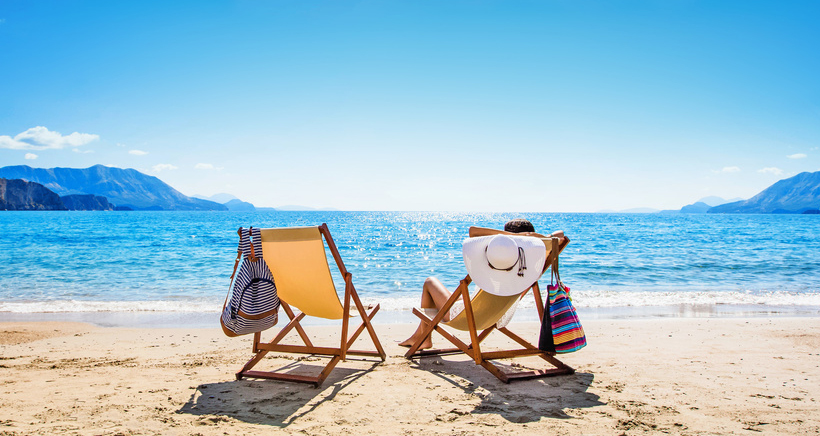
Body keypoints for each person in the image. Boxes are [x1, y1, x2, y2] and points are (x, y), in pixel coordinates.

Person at [399, 218, 561, 349]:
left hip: (469, 317)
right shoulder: (533, 263)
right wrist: (531, 239)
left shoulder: (498, 261)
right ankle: (420, 336)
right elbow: (559, 235)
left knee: (430, 282)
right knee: (456, 299)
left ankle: (424, 338)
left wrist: (510, 238)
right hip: (498, 315)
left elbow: (473, 231)